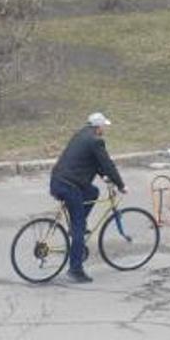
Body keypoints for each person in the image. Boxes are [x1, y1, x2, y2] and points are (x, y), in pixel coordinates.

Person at [49, 112, 126, 283]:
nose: (104, 129)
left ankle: (79, 226)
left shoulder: (81, 135)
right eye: (104, 126)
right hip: (70, 186)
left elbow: (92, 162)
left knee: (92, 192)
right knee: (78, 227)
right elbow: (107, 163)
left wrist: (104, 176)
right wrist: (121, 185)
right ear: (97, 127)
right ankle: (75, 270)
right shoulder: (95, 141)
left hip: (58, 181)